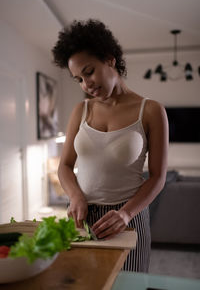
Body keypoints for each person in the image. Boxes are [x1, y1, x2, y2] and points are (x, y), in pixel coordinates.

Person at [52, 19, 168, 272]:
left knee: (129, 285)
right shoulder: (80, 111)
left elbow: (158, 177)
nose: (86, 84)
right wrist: (75, 196)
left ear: (110, 59)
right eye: (78, 79)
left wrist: (125, 214)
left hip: (127, 218)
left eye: (89, 71)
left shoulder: (150, 110)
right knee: (82, 283)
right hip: (80, 216)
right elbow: (65, 166)